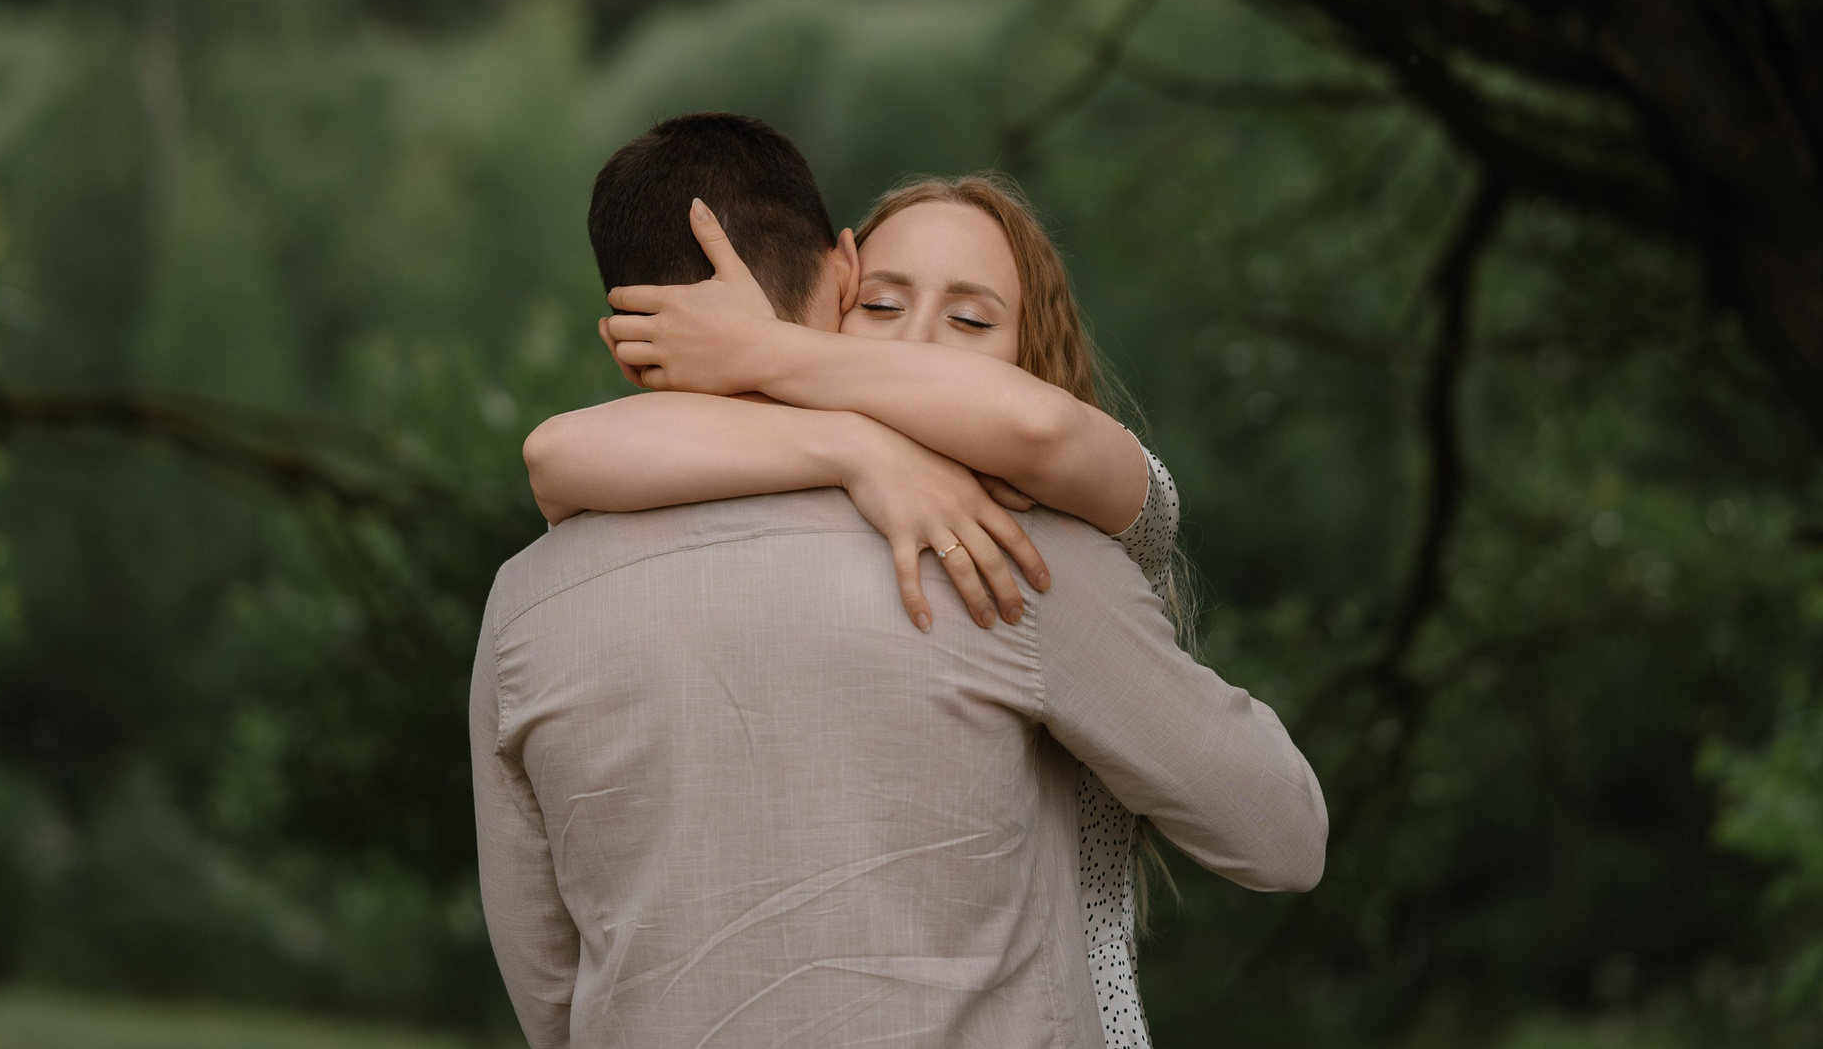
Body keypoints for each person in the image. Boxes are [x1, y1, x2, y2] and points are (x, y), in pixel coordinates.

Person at [471, 112, 1326, 1047]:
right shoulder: (1004, 555)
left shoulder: (524, 606)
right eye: (882, 306)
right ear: (842, 276)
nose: (911, 349)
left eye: (970, 318)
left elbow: (551, 991)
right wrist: (851, 443)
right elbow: (1278, 833)